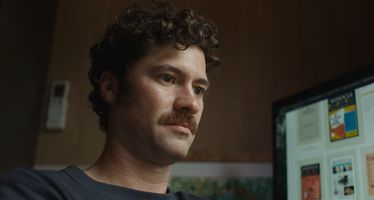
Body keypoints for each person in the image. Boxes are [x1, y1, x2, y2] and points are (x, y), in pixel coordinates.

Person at [0, 2, 221, 199]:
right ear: (111, 87)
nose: (191, 103)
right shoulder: (34, 192)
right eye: (168, 78)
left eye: (198, 89)